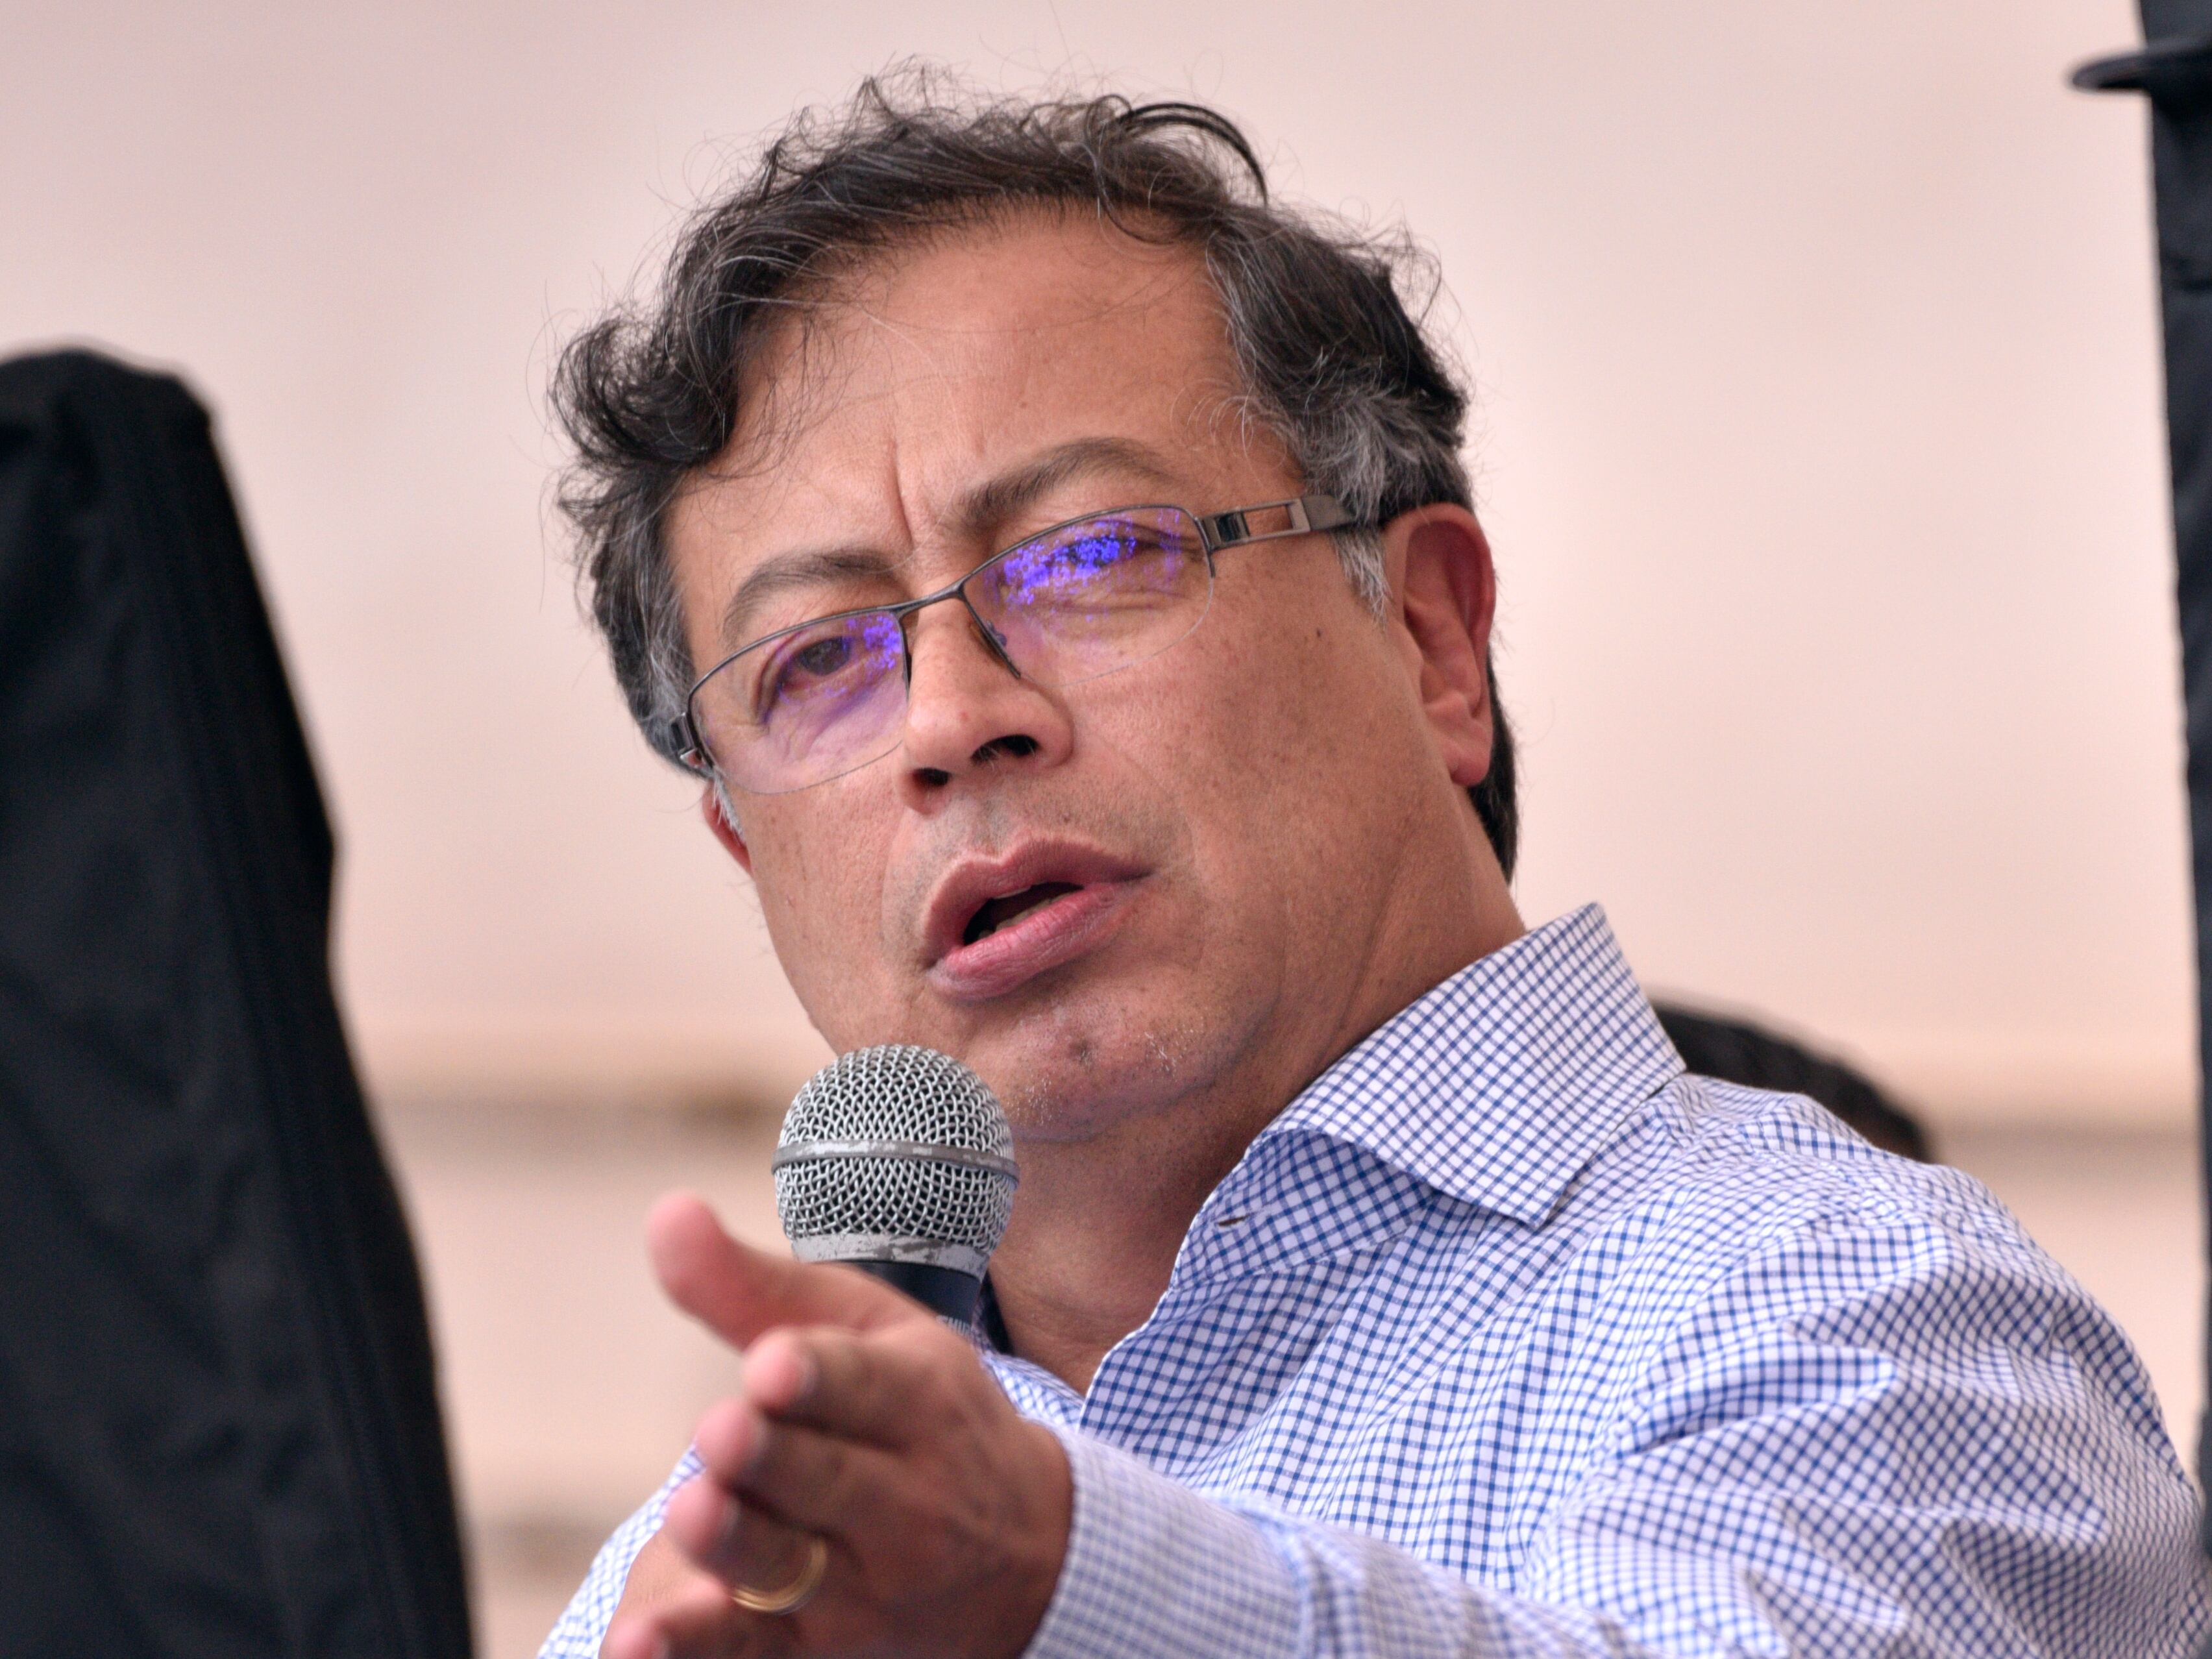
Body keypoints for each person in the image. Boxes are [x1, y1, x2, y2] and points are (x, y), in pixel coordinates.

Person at [539, 77, 2205, 1658]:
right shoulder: (706, 1567)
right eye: (817, 662)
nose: (950, 721)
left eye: (1092, 554)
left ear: (1429, 642)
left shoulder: (1865, 1310)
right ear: (744, 847)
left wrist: (1065, 1595)